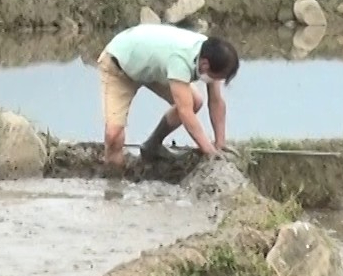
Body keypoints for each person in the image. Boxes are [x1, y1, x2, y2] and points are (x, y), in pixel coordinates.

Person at [97, 23, 239, 171]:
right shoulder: (181, 60)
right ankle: (113, 184)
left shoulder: (211, 55)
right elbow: (186, 113)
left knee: (195, 102)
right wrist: (208, 150)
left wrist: (220, 143)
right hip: (120, 65)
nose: (218, 81)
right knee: (113, 136)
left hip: (154, 66)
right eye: (218, 77)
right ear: (205, 64)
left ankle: (151, 146)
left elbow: (216, 101)